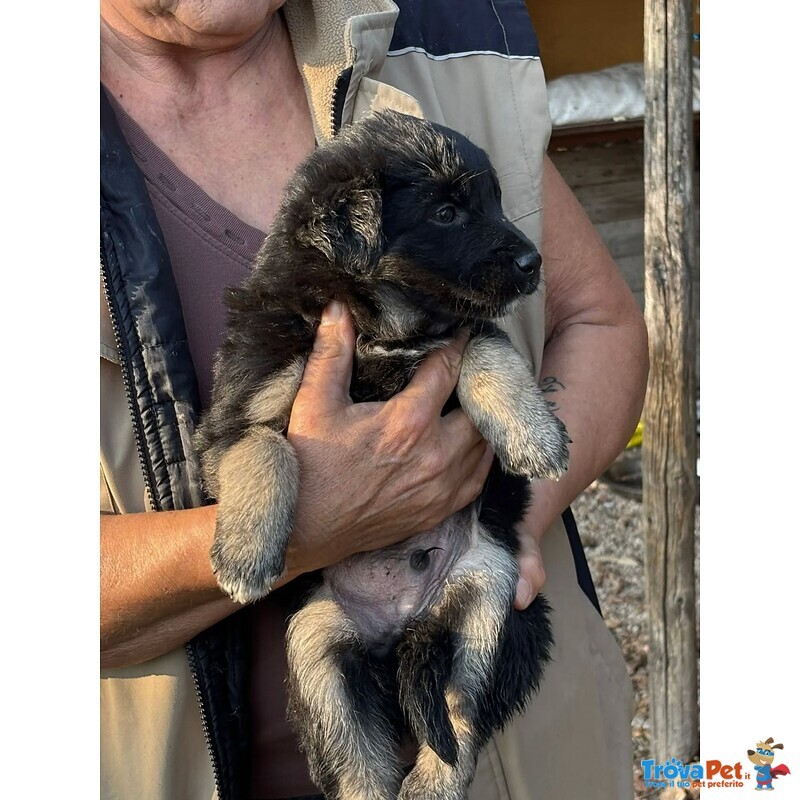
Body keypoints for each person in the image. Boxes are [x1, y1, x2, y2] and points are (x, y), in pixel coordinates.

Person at [100, 1, 649, 799]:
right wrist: (313, 525)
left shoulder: (436, 43)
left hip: (520, 760)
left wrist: (505, 518)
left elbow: (599, 320)